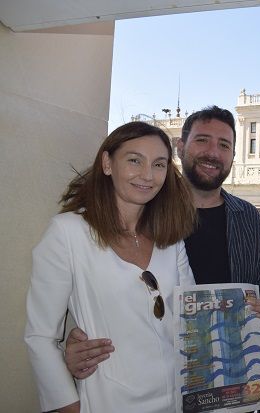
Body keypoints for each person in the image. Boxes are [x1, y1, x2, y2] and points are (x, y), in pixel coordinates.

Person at [63, 106, 260, 378]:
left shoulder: (248, 218)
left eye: (224, 145)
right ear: (180, 147)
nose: (213, 152)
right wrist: (78, 339)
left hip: (228, 375)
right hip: (145, 376)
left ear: (233, 155)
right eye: (202, 140)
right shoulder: (139, 211)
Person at [24, 121, 197, 413]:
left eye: (159, 164)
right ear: (107, 163)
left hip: (177, 399)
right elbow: (40, 337)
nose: (148, 175)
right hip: (109, 401)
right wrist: (69, 408)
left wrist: (246, 316)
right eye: (134, 160)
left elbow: (191, 320)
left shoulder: (171, 239)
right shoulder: (68, 233)